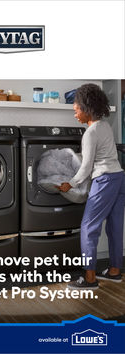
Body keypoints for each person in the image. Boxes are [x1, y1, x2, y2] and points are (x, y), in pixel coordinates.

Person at [57, 83, 125, 289]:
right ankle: (114, 271)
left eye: (76, 109)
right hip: (119, 177)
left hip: (104, 180)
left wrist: (71, 183)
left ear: (87, 108)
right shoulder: (104, 126)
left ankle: (89, 278)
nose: (75, 114)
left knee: (88, 227)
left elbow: (86, 167)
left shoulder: (90, 133)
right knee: (115, 226)